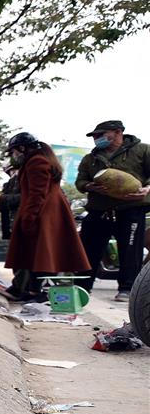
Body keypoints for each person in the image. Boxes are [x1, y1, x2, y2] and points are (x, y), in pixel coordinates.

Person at [3, 132, 90, 301]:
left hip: (44, 212)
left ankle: (36, 292)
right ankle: (31, 290)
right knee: (36, 254)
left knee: (41, 255)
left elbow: (37, 194)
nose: (14, 156)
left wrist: (29, 217)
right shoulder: (38, 159)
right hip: (47, 210)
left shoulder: (36, 162)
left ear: (22, 148)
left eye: (14, 152)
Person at [74, 120, 150, 301]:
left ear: (118, 132)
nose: (96, 138)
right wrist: (89, 186)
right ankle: (82, 288)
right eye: (94, 136)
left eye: (100, 135)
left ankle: (127, 289)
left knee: (130, 252)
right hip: (99, 210)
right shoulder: (90, 158)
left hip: (130, 209)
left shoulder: (142, 150)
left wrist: (147, 189)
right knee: (88, 250)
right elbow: (80, 182)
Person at [0, 163, 31, 300]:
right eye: (9, 172)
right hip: (12, 225)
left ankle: (24, 289)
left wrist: (1, 199)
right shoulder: (9, 184)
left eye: (13, 170)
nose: (12, 173)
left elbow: (27, 197)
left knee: (24, 259)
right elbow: (5, 203)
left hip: (26, 223)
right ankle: (19, 288)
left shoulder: (29, 179)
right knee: (17, 258)